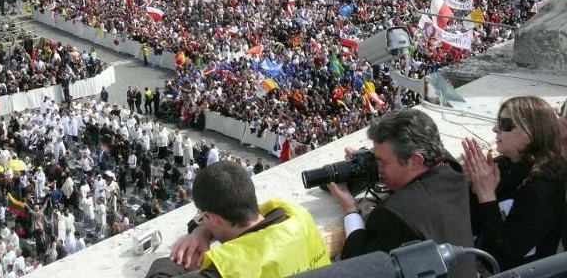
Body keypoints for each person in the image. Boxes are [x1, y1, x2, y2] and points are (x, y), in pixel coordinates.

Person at [328, 109, 475, 278]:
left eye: (381, 161)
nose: (377, 167)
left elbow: (359, 261)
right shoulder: (453, 171)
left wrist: (350, 210)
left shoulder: (394, 214)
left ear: (416, 161)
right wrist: (376, 157)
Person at [145, 161, 330, 278]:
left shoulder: (230, 266)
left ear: (212, 217)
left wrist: (177, 259)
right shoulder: (296, 215)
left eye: (203, 217)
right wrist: (202, 230)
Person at [462, 96, 567, 271]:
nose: (495, 129)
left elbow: (502, 259)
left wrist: (486, 195)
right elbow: (475, 226)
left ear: (530, 132)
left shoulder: (544, 187)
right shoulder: (504, 167)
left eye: (505, 124)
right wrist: (472, 186)